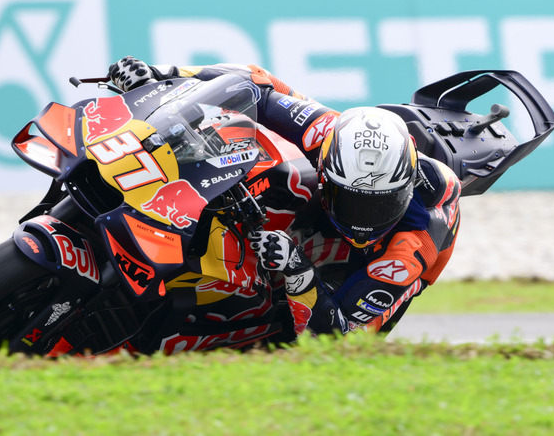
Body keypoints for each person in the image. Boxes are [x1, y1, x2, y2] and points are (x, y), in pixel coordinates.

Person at [108, 56, 461, 337]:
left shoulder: (411, 249)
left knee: (326, 344)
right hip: (328, 193)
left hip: (395, 253)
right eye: (352, 200)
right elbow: (254, 81)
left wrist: (297, 269)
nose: (362, 217)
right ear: (327, 167)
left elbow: (338, 338)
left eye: (379, 204)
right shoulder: (326, 134)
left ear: (404, 188)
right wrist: (162, 75)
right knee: (276, 178)